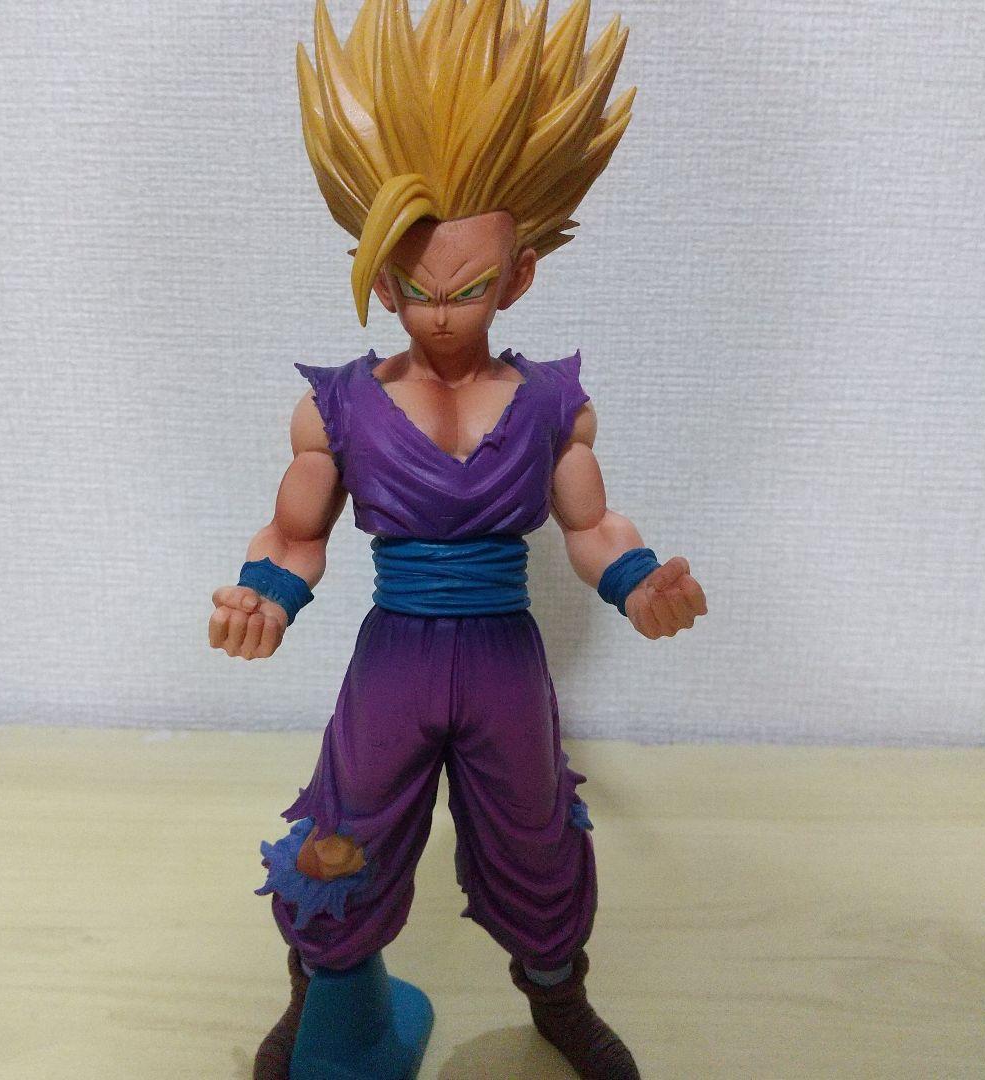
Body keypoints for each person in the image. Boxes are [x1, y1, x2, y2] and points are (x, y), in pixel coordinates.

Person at [208, 2, 707, 1077]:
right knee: (343, 832)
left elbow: (592, 522)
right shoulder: (338, 407)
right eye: (414, 289)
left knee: (536, 837)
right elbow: (295, 531)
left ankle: (558, 999)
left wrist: (637, 581)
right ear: (381, 276)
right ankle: (323, 989)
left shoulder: (553, 404)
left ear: (518, 276)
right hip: (394, 652)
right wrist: (262, 596)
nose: (439, 314)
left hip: (502, 658)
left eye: (469, 288)